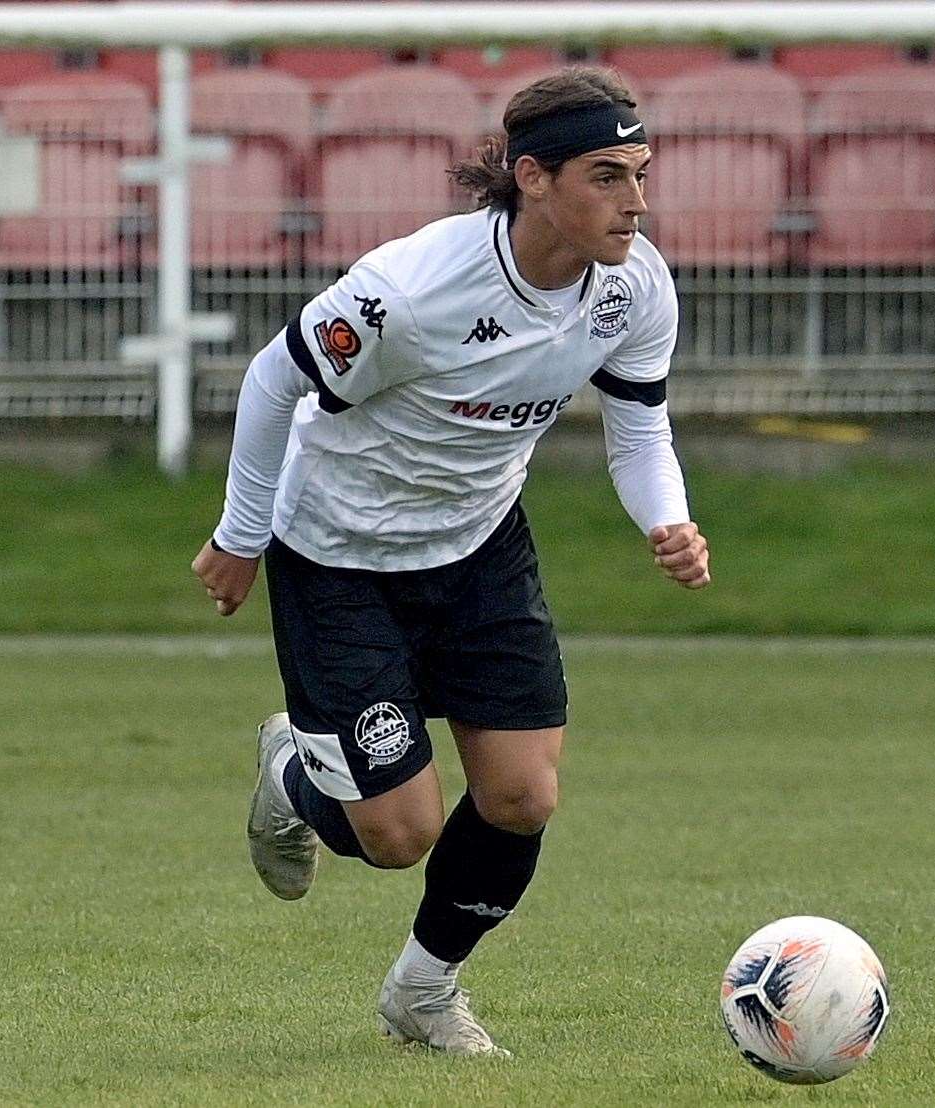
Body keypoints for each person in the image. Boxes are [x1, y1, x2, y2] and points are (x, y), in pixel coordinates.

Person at [190, 66, 710, 1057]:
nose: (635, 201)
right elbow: (271, 381)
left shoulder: (633, 287)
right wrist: (240, 535)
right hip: (338, 552)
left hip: (478, 544)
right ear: (535, 177)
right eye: (607, 176)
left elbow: (641, 428)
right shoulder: (413, 289)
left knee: (523, 795)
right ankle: (296, 771)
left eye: (641, 173)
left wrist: (668, 521)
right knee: (393, 835)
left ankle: (423, 993)